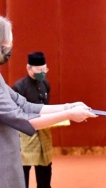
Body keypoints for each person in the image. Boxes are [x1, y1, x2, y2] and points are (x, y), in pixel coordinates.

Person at [0, 16, 97, 188]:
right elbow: (21, 118)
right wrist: (68, 114)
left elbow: (25, 105)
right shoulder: (19, 84)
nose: (10, 48)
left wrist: (69, 106)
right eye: (8, 43)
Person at [12, 52, 52, 188]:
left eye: (44, 69)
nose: (42, 72)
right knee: (24, 169)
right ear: (29, 68)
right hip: (26, 134)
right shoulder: (19, 87)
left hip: (44, 132)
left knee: (45, 167)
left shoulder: (45, 83)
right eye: (39, 70)